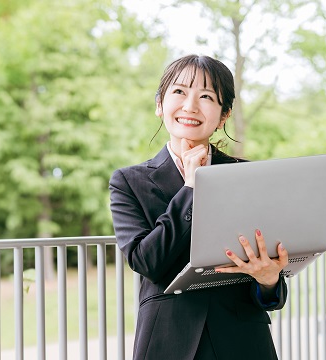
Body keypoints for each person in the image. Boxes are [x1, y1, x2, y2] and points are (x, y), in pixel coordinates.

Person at [109, 54, 289, 359]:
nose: (191, 106)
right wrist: (192, 188)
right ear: (159, 105)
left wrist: (269, 280)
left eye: (206, 96)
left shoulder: (247, 176)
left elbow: (272, 287)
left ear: (223, 116)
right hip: (167, 341)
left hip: (242, 341)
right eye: (179, 92)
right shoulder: (128, 181)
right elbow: (147, 262)